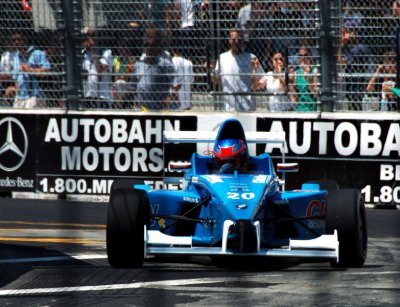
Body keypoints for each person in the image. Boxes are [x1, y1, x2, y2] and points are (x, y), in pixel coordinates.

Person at [213, 29, 264, 111]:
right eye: (234, 39)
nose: (236, 42)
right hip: (228, 107)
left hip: (247, 107)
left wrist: (255, 70)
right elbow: (217, 80)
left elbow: (259, 83)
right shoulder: (222, 58)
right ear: (229, 40)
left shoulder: (251, 58)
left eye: (239, 39)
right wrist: (210, 71)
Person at [132, 27, 180, 110]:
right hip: (141, 110)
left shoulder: (165, 63)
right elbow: (133, 85)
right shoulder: (139, 63)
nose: (148, 47)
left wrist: (170, 97)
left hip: (158, 110)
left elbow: (175, 85)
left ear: (158, 44)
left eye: (152, 44)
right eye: (146, 44)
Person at [11, 31, 51, 108]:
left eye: (19, 39)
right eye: (14, 40)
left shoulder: (37, 53)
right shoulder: (16, 56)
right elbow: (15, 78)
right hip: (20, 97)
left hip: (34, 95)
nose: (16, 42)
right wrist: (17, 93)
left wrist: (30, 70)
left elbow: (47, 71)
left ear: (25, 39)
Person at [290, 47, 318, 112]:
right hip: (300, 108)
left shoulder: (314, 70)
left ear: (310, 56)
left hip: (312, 108)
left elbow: (316, 95)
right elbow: (294, 99)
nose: (303, 58)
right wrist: (290, 83)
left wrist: (308, 80)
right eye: (300, 56)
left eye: (305, 55)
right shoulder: (297, 73)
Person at [81, 35, 99, 108]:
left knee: (93, 95)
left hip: (93, 80)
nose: (87, 43)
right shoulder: (82, 52)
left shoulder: (94, 52)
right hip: (84, 79)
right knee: (85, 96)